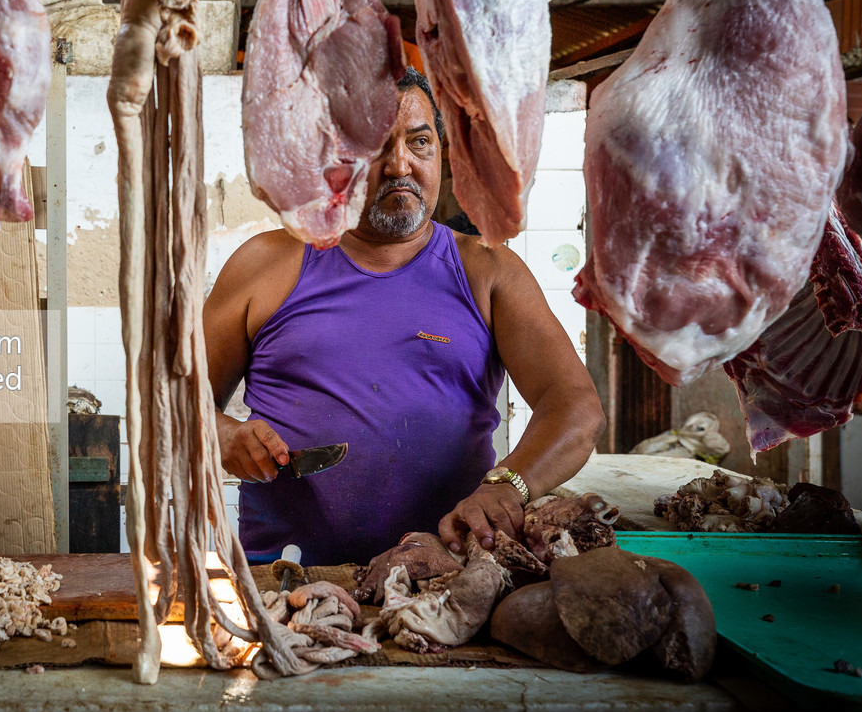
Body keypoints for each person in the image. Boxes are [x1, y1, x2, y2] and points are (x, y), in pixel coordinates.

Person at [203, 69, 605, 566]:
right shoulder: (264, 265)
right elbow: (177, 403)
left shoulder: (488, 271)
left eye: (419, 142)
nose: (400, 165)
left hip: (449, 585)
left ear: (441, 152)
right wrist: (220, 434)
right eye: (375, 146)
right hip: (288, 585)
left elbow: (575, 406)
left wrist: (510, 483)